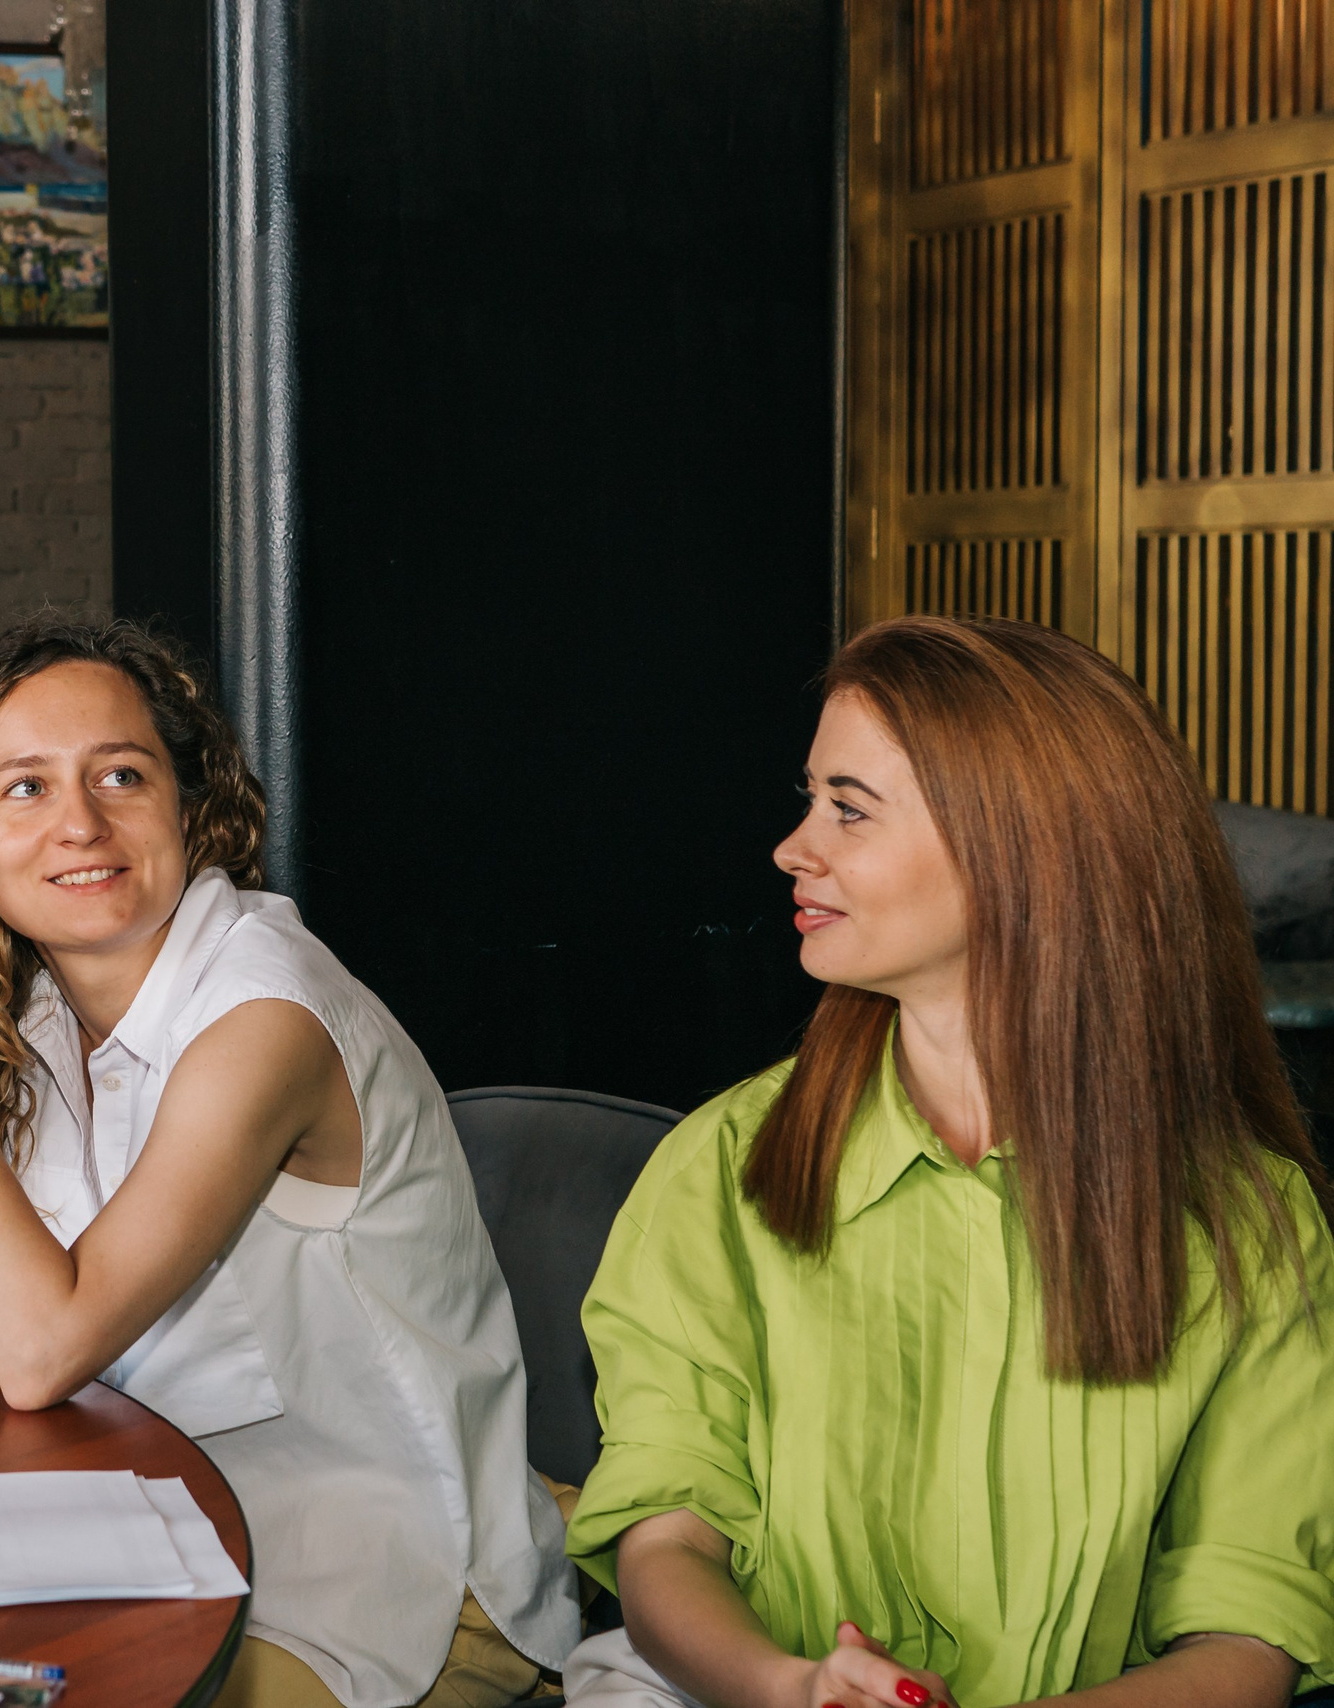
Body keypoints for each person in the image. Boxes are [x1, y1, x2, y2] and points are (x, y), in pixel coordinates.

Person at [0, 617, 579, 1708]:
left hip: (381, 1584)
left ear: (190, 805)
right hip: (145, 1536)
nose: (80, 823)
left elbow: (41, 1350)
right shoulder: (30, 1019)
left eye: (120, 774)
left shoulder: (265, 1017)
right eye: (25, 788)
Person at [562, 616, 1334, 1708]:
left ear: (1018, 849)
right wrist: (793, 1689)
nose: (794, 847)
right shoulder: (720, 1167)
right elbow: (665, 1542)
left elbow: (1247, 1639)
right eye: (809, 798)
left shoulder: (1251, 1222)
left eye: (848, 808)